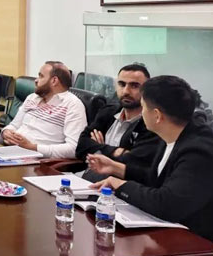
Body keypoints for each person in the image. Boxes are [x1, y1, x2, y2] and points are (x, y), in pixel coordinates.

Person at [89, 75, 213, 241]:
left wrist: (121, 185)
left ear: (157, 115)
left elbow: (167, 204)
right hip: (168, 232)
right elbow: (159, 179)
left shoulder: (199, 151)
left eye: (143, 107)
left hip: (196, 242)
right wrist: (116, 168)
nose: (141, 114)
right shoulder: (170, 135)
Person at [76, 63, 161, 181]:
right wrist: (116, 151)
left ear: (147, 90)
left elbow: (136, 163)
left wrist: (99, 149)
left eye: (134, 86)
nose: (126, 91)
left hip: (119, 185)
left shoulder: (151, 124)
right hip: (86, 176)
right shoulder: (108, 111)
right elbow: (81, 146)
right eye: (122, 84)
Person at [0, 61, 87, 158]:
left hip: (35, 157)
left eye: (41, 76)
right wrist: (6, 132)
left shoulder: (73, 105)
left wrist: (32, 147)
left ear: (54, 81)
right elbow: (14, 125)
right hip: (11, 147)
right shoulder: (32, 97)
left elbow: (74, 148)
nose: (36, 80)